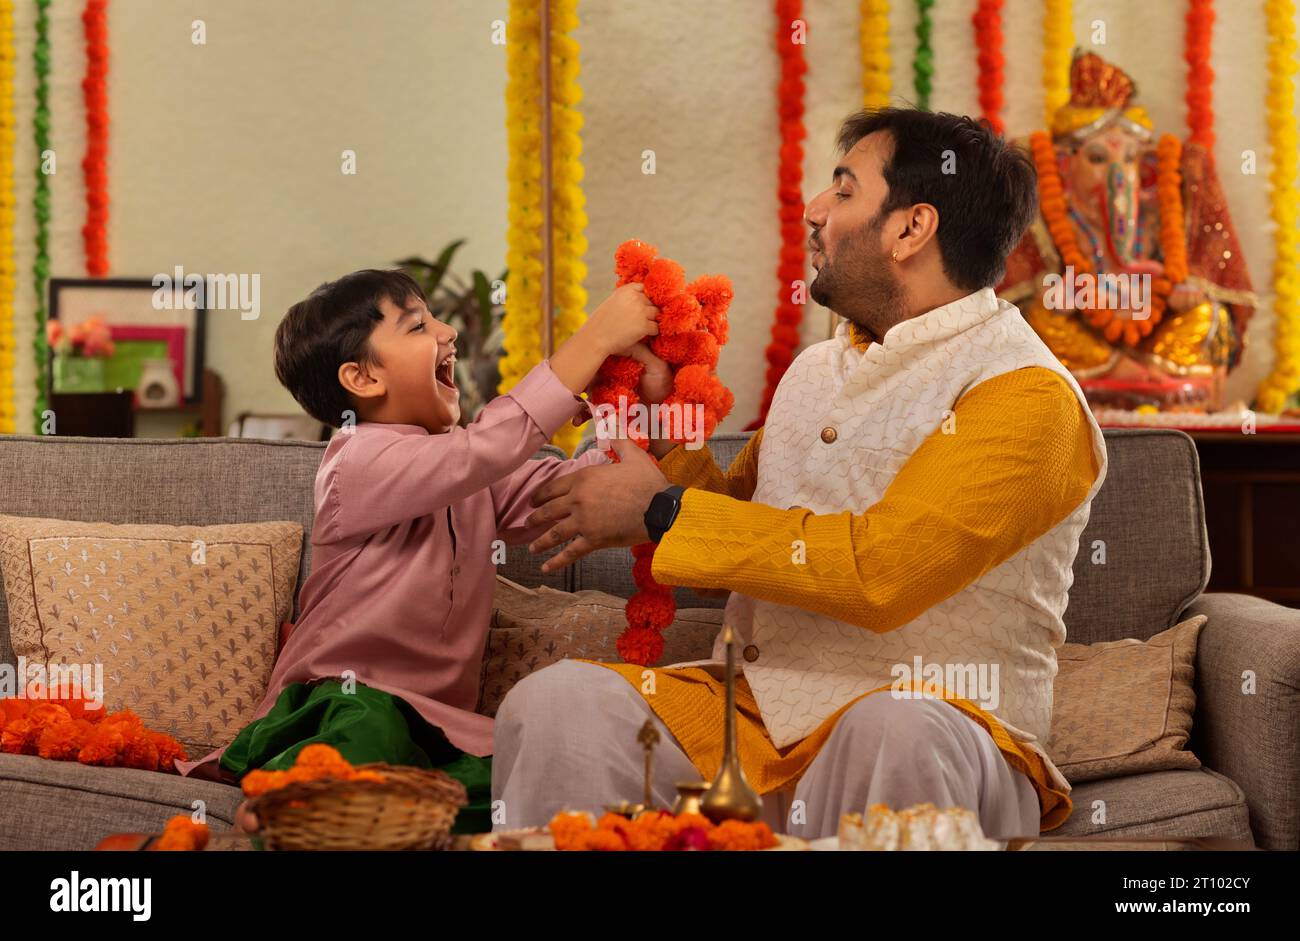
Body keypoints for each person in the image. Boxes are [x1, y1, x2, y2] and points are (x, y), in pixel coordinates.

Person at [493, 107, 1109, 841]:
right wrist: (667, 419)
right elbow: (734, 544)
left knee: (891, 726)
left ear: (911, 229)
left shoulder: (1027, 395)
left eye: (844, 191)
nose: (815, 211)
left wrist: (662, 511)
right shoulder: (818, 367)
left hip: (937, 716)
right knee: (559, 704)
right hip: (751, 718)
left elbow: (880, 572)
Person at [173, 266, 659, 836]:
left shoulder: (461, 466)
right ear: (362, 379)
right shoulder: (355, 461)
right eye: (417, 326)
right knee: (367, 730)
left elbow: (575, 491)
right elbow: (488, 447)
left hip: (439, 727)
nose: (447, 332)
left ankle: (341, 809)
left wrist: (645, 409)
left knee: (522, 779)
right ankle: (293, 800)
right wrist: (595, 340)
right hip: (339, 702)